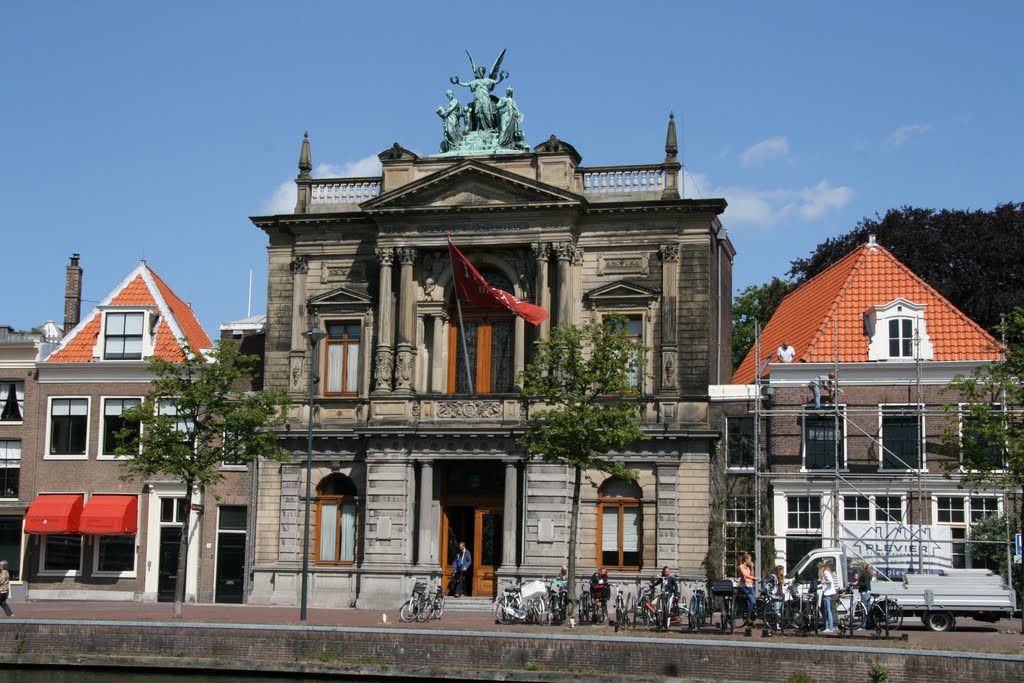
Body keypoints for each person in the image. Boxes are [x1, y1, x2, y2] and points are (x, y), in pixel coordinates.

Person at [737, 552, 758, 627]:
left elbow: (751, 574)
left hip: (750, 586)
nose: (750, 561)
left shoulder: (748, 567)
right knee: (752, 601)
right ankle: (748, 617)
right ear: (746, 560)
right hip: (744, 586)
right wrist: (754, 578)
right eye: (750, 560)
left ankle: (749, 615)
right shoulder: (741, 566)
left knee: (754, 602)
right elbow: (744, 575)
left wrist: (752, 567)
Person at [854, 562, 874, 629]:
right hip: (866, 593)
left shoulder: (864, 574)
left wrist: (857, 584)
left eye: (860, 567)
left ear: (862, 567)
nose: (859, 568)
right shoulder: (867, 574)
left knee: (864, 610)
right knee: (867, 610)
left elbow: (864, 584)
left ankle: (863, 626)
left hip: (864, 593)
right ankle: (868, 625)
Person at [819, 560, 836, 633]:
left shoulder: (826, 572)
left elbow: (830, 581)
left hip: (827, 593)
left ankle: (830, 627)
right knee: (826, 610)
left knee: (828, 610)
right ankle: (827, 626)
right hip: (828, 592)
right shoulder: (828, 572)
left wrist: (823, 582)